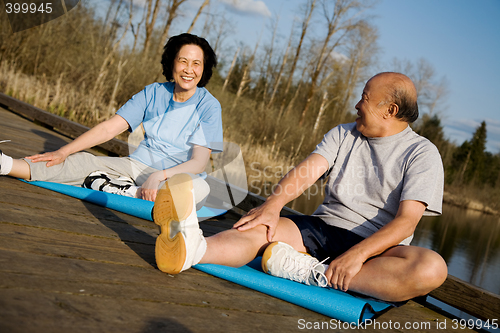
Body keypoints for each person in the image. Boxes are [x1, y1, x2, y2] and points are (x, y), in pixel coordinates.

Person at [152, 72, 448, 302]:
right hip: (322, 229)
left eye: (365, 98)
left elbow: (406, 222)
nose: (357, 104)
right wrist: (272, 206)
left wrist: (356, 255)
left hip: (376, 250)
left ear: (390, 109)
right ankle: (193, 249)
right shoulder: (344, 133)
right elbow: (306, 172)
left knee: (432, 268)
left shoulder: (422, 153)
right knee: (260, 228)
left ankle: (313, 272)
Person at [0, 33, 223, 204]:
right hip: (136, 166)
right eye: (183, 61)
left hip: (176, 177)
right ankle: (6, 164)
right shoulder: (153, 92)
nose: (189, 70)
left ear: (204, 69)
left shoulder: (209, 106)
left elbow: (198, 162)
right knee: (83, 162)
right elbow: (108, 129)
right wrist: (63, 151)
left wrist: (159, 176)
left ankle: (122, 188)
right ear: (172, 63)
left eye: (196, 64)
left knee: (195, 190)